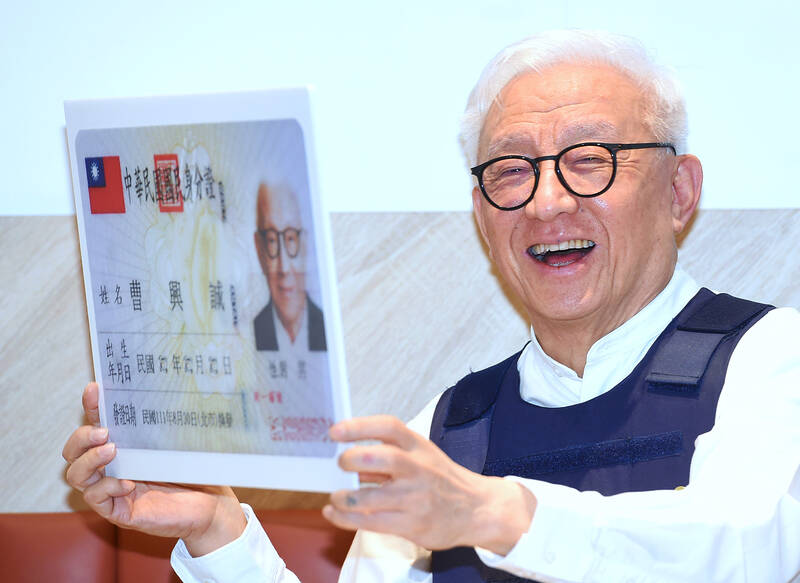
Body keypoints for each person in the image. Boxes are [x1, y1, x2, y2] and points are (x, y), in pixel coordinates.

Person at [62, 30, 800, 582]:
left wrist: (491, 512)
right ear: (482, 215)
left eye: (589, 160)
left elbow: (746, 546)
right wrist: (216, 527)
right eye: (511, 170)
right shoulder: (451, 428)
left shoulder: (770, 359)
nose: (546, 202)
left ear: (679, 193)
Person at [252, 182, 326, 352]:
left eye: (291, 238)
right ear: (259, 249)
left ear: (305, 243)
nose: (284, 268)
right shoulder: (250, 333)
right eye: (271, 240)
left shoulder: (326, 329)